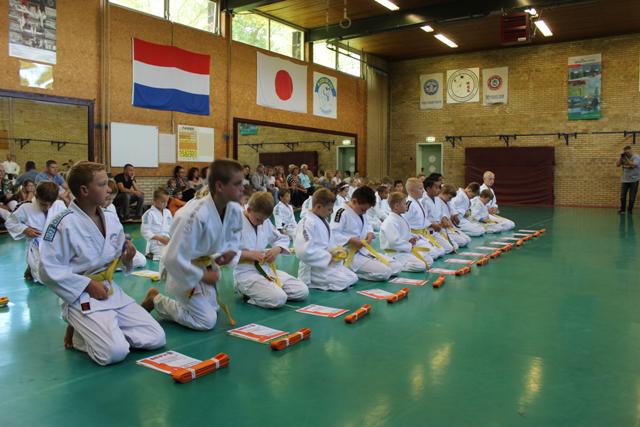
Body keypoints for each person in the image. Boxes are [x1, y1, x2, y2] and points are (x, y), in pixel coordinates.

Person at [39, 162, 165, 366]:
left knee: (156, 337)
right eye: (103, 184)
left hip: (109, 290)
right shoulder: (61, 223)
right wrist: (88, 285)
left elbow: (115, 257)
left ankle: (100, 330)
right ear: (84, 190)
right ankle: (82, 333)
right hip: (80, 294)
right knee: (115, 353)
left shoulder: (109, 217)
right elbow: (47, 269)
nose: (108, 189)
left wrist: (127, 256)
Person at [141, 159, 244, 331]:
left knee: (214, 310)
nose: (243, 188)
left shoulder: (233, 208)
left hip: (205, 264)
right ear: (219, 186)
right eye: (238, 184)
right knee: (206, 321)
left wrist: (230, 251)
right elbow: (173, 258)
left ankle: (186, 300)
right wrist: (201, 276)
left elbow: (234, 234)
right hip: (183, 267)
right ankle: (157, 299)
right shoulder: (193, 215)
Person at [234, 192, 308, 308]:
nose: (262, 223)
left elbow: (281, 238)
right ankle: (247, 293)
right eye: (259, 219)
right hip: (245, 273)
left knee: (302, 291)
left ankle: (268, 290)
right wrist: (247, 254)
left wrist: (277, 249)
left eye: (265, 219)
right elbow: (220, 253)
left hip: (265, 269)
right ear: (249, 210)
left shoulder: (263, 221)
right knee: (279, 299)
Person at [330, 186, 401, 281]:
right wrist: (350, 240)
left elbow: (367, 225)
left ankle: (364, 269)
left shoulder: (360, 210)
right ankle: (350, 271)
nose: (364, 212)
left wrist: (370, 233)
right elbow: (333, 234)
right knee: (385, 272)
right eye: (363, 210)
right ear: (354, 201)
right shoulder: (341, 212)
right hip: (348, 254)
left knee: (397, 266)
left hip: (363, 251)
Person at [294, 188, 358, 291]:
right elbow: (303, 251)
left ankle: (327, 278)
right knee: (344, 281)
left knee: (353, 277)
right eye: (329, 209)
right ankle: (313, 282)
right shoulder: (307, 222)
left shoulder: (322, 220)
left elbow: (328, 243)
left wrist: (337, 251)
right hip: (313, 269)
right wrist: (328, 256)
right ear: (318, 207)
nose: (330, 212)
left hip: (327, 264)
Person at [5, 182, 65, 282]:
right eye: (43, 204)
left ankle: (32, 267)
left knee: (62, 275)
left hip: (56, 244)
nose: (48, 207)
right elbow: (10, 223)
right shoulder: (26, 208)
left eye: (51, 204)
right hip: (36, 244)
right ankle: (31, 266)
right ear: (36, 197)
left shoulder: (60, 205)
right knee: (43, 278)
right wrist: (25, 229)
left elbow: (68, 223)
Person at [380, 191, 432, 272]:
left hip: (404, 250)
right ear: (396, 206)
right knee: (421, 265)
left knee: (428, 260)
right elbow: (393, 242)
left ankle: (399, 263)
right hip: (395, 253)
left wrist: (411, 238)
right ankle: (397, 265)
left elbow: (404, 233)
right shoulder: (390, 222)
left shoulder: (400, 217)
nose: (406, 206)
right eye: (404, 204)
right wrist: (409, 245)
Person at [402, 178, 445, 259]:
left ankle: (420, 250)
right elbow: (403, 223)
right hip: (414, 236)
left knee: (441, 251)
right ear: (411, 191)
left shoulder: (419, 202)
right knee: (434, 254)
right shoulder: (409, 205)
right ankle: (411, 251)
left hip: (423, 234)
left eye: (423, 188)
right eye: (420, 188)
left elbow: (423, 219)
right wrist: (408, 239)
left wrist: (432, 224)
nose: (423, 191)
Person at [422, 177, 457, 253]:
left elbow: (441, 213)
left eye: (439, 187)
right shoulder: (424, 201)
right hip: (430, 230)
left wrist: (445, 218)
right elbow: (423, 218)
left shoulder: (437, 199)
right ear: (428, 189)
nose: (439, 190)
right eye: (436, 188)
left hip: (439, 228)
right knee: (447, 249)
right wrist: (432, 225)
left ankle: (437, 246)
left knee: (454, 246)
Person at [140, 188, 172, 261]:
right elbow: (145, 231)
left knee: (177, 253)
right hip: (155, 242)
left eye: (167, 202)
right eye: (162, 202)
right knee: (165, 257)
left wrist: (170, 238)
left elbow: (171, 227)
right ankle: (151, 255)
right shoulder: (149, 214)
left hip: (167, 240)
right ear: (154, 201)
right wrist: (160, 238)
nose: (165, 204)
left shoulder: (168, 212)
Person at [617, 145, 640, 214]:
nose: (626, 153)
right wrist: (621, 158)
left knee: (632, 197)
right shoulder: (623, 157)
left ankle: (630, 210)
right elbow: (617, 165)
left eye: (627, 152)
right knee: (622, 196)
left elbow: (633, 165)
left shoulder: (636, 157)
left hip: (634, 180)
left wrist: (626, 158)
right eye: (625, 152)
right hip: (624, 180)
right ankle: (623, 210)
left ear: (631, 150)